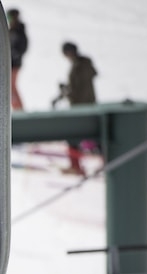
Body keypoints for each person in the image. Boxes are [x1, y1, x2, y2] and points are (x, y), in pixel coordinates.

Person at [57, 42, 99, 175]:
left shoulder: (77, 68)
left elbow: (76, 90)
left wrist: (64, 90)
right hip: (90, 104)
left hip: (80, 107)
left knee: (72, 136)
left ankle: (75, 166)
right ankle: (107, 159)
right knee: (94, 135)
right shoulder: (86, 63)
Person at [7, 8, 28, 110]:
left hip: (14, 62)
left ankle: (18, 108)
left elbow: (22, 47)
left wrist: (15, 54)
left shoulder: (19, 31)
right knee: (9, 86)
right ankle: (16, 107)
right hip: (9, 62)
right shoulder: (12, 30)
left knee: (11, 86)